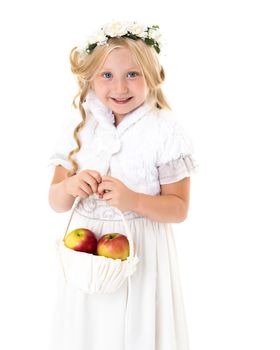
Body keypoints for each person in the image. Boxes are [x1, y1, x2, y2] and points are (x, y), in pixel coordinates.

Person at [48, 20, 199, 350]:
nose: (120, 87)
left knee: (137, 331)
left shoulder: (164, 131)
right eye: (107, 75)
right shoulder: (80, 125)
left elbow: (179, 208)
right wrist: (70, 186)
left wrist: (133, 200)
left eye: (132, 74)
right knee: (90, 333)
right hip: (85, 256)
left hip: (141, 252)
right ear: (90, 77)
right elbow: (55, 202)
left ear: (150, 75)